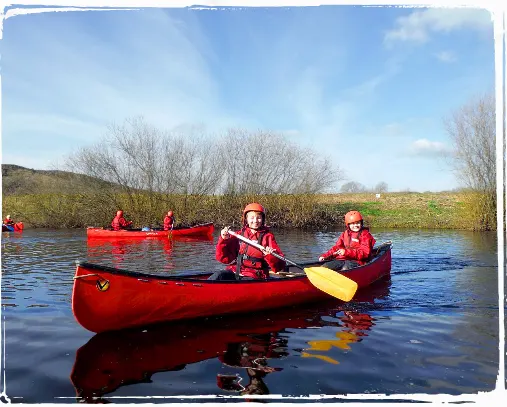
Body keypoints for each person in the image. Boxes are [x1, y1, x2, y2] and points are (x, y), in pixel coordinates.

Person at [212, 203, 286, 280]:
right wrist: (224, 240)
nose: (255, 221)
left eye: (258, 218)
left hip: (255, 275)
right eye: (252, 218)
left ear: (263, 219)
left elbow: (279, 267)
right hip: (236, 271)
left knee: (246, 280)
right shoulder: (239, 234)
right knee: (218, 275)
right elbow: (223, 258)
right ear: (246, 219)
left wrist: (270, 255)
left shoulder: (267, 237)